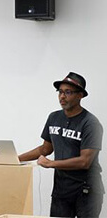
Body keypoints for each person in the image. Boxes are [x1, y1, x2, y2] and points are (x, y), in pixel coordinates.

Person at [19, 72, 104, 218]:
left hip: (86, 191)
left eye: (68, 92)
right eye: (60, 92)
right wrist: (16, 158)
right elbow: (45, 149)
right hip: (61, 189)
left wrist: (51, 164)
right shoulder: (54, 117)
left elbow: (85, 161)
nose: (62, 97)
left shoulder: (90, 123)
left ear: (80, 95)